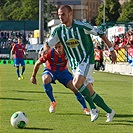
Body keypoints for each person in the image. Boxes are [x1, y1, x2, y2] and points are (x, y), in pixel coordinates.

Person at [43, 5, 117, 122]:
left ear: (70, 14)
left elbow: (100, 32)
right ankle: (110, 111)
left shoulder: (81, 26)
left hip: (87, 59)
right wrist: (45, 50)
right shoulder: (58, 30)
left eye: (63, 14)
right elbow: (48, 42)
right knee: (90, 92)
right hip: (74, 64)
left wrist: (111, 50)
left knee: (76, 83)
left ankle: (93, 109)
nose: (61, 17)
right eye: (59, 15)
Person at [30, 42, 90, 115]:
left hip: (63, 72)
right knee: (45, 79)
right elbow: (37, 63)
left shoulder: (68, 51)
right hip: (51, 70)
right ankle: (53, 102)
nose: (58, 49)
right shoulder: (49, 53)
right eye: (56, 47)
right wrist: (33, 76)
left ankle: (85, 108)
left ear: (63, 46)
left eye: (59, 47)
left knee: (74, 87)